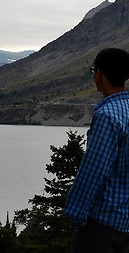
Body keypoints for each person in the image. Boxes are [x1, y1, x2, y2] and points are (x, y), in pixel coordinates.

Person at [65, 48, 129, 253]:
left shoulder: (107, 116)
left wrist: (76, 212)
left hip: (102, 226)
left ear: (98, 74)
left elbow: (95, 170)